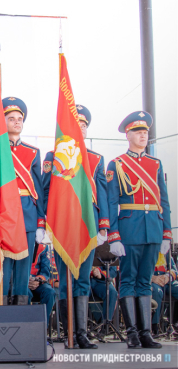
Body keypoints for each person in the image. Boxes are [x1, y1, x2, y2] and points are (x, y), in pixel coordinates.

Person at [43, 104, 107, 348]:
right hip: (62, 226)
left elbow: (102, 194)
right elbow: (46, 191)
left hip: (86, 226)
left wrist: (103, 225)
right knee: (65, 279)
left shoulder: (96, 159)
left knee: (82, 280)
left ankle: (81, 334)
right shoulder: (53, 156)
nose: (80, 128)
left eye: (83, 125)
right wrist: (45, 223)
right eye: (75, 124)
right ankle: (67, 332)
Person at [107, 111, 171, 349]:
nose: (143, 136)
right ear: (128, 135)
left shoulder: (155, 164)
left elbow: (164, 201)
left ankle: (146, 333)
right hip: (130, 228)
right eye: (138, 132)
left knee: (145, 281)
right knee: (128, 280)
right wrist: (114, 235)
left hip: (153, 228)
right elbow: (112, 202)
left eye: (145, 132)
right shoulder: (117, 164)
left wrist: (167, 233)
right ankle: (132, 333)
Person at [1, 97, 45, 305]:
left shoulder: (33, 152)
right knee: (4, 268)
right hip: (4, 214)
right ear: (3, 122)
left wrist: (41, 221)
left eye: (19, 119)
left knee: (23, 269)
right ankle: (1, 312)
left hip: (28, 214)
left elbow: (38, 190)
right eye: (11, 119)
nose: (17, 122)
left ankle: (20, 310)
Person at [27, 244, 56, 326]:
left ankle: (42, 327)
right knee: (25, 293)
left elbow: (45, 269)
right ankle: (26, 327)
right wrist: (25, 281)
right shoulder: (18, 242)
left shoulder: (43, 247)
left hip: (37, 281)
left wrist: (38, 280)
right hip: (21, 281)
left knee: (50, 293)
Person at [151, 252, 177, 334]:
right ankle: (154, 326)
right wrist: (151, 278)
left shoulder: (165, 249)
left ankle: (175, 324)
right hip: (152, 281)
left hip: (166, 281)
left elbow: (174, 269)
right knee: (156, 292)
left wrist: (168, 276)